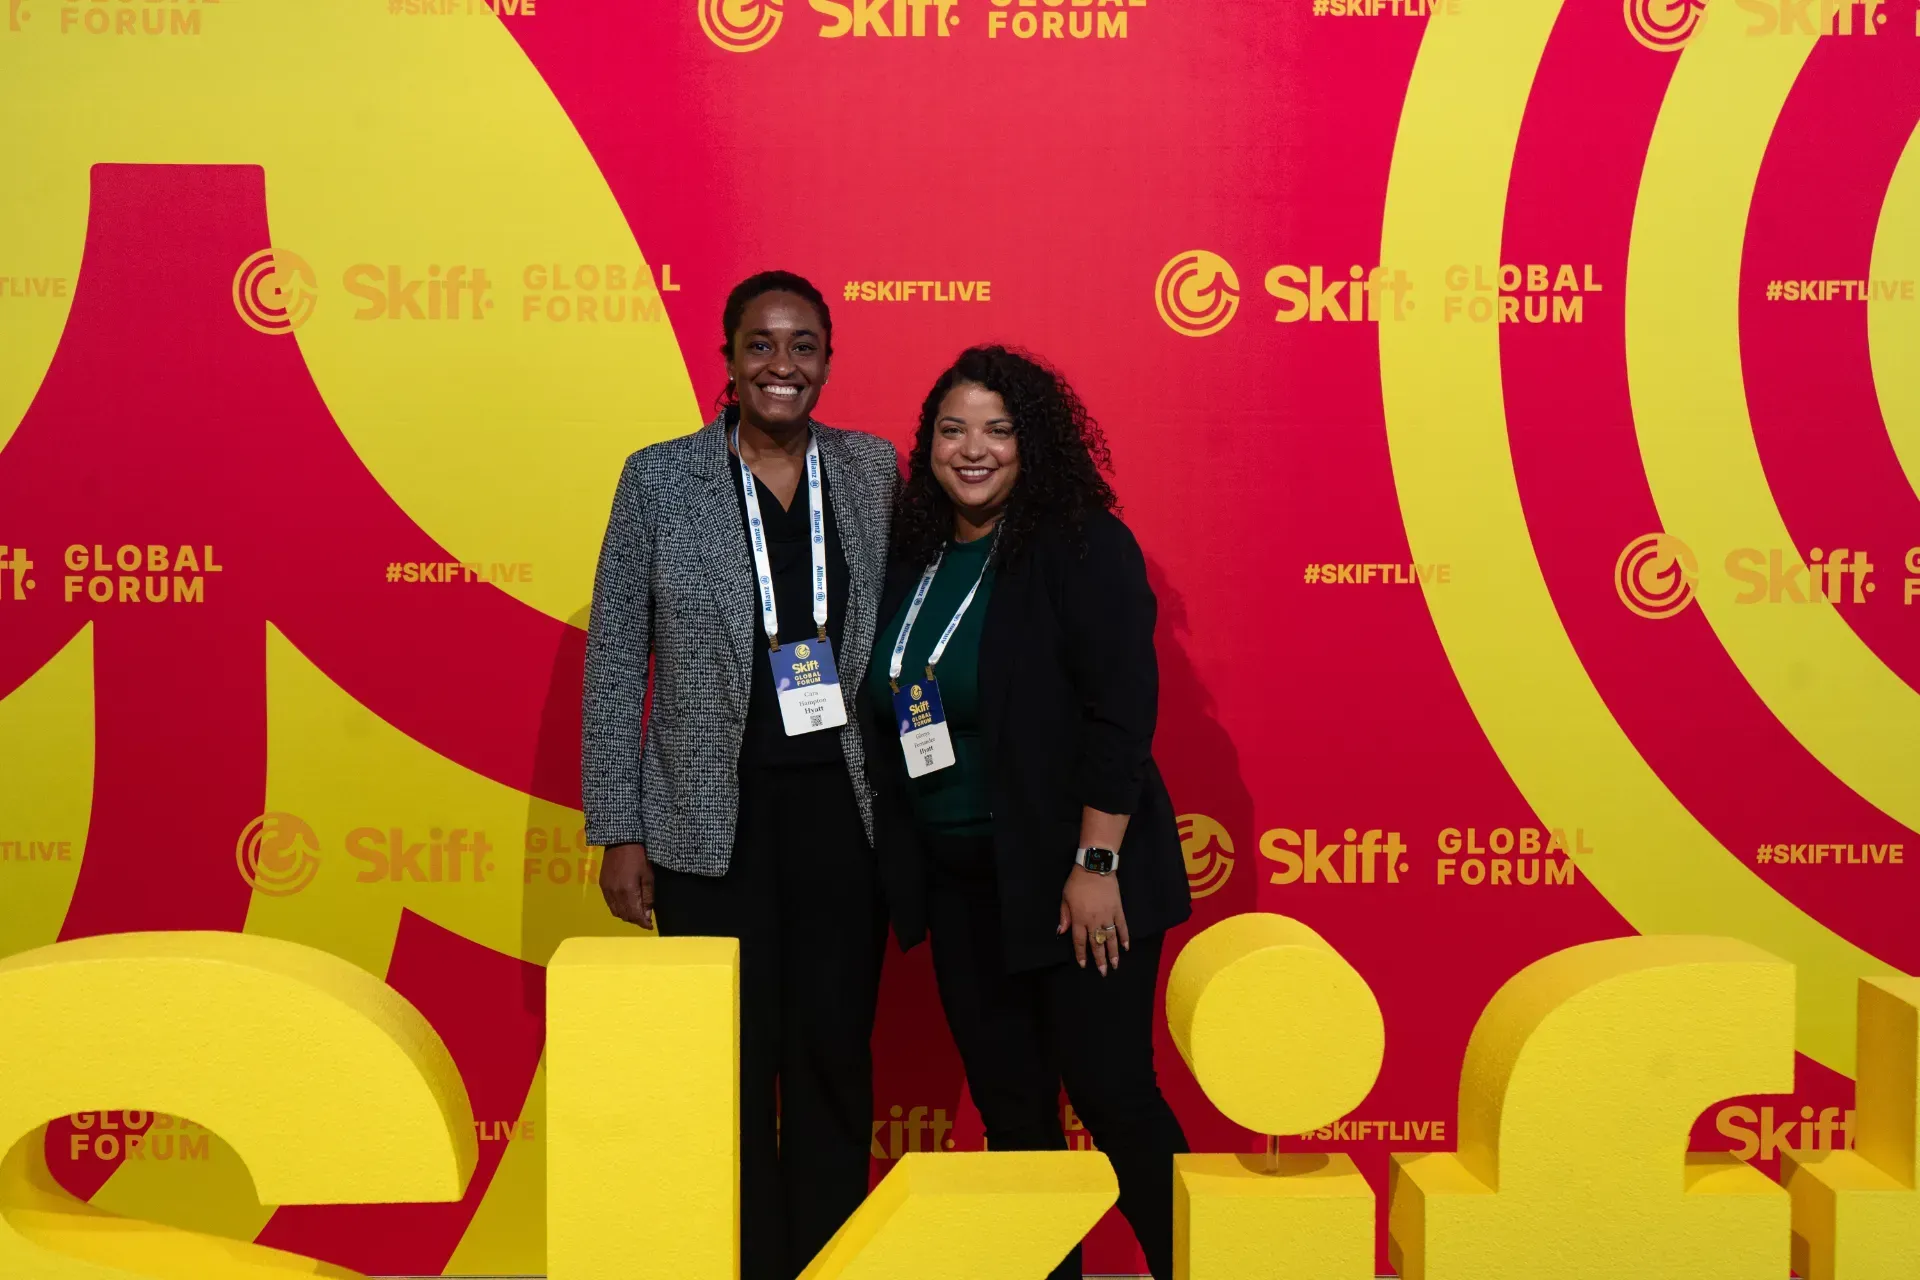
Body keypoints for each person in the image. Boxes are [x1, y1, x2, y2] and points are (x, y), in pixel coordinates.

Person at [583, 270, 897, 1280]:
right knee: (724, 1061)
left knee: (832, 1055)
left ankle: (827, 1259)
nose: (782, 365)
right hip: (701, 821)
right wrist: (617, 825)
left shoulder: (872, 470)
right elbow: (614, 654)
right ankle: (744, 1259)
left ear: (827, 362)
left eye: (803, 345)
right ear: (726, 360)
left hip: (843, 819)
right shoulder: (658, 477)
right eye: (760, 344)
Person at [861, 345, 1193, 1280]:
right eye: (953, 429)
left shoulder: (1080, 543)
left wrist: (1096, 869)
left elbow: (1121, 711)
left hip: (1074, 882)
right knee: (1013, 1115)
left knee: (1115, 1095)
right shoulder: (916, 555)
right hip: (965, 885)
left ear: (1033, 444)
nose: (973, 450)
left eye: (998, 431)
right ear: (927, 443)